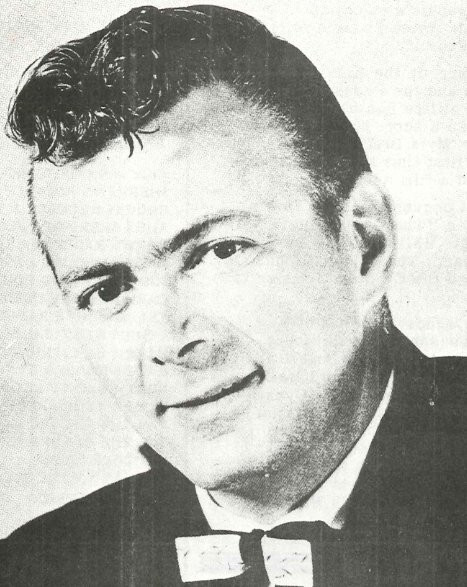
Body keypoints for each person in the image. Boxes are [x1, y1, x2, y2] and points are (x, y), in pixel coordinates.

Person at [0, 4, 465, 586]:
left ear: (364, 244)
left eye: (220, 251)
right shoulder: (34, 569)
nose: (168, 342)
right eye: (108, 290)